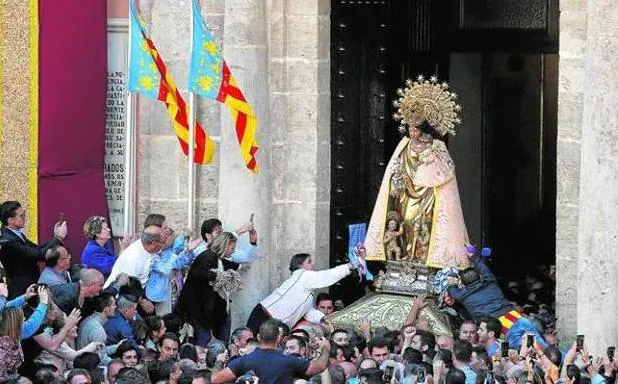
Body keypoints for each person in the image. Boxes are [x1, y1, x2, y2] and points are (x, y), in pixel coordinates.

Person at [363, 77, 470, 269]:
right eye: (409, 128)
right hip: (407, 194)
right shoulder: (404, 145)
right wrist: (396, 184)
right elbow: (395, 168)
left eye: (415, 129)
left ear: (423, 129)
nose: (412, 132)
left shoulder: (437, 146)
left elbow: (447, 170)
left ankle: (420, 260)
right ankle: (404, 258)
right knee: (406, 222)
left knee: (422, 226)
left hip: (428, 195)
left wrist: (430, 159)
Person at [246, 253, 358, 335]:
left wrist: (323, 318)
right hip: (264, 317)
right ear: (300, 265)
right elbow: (328, 276)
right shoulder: (302, 275)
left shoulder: (305, 287)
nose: (313, 265)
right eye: (309, 262)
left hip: (274, 324)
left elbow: (307, 312)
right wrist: (350, 266)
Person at [211, 319, 331, 384]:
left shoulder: (244, 361)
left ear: (258, 337)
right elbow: (320, 366)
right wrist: (325, 348)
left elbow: (215, 379)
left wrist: (219, 361)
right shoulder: (290, 361)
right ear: (278, 339)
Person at [176, 232, 239, 346]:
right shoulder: (208, 257)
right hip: (197, 311)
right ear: (224, 245)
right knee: (203, 341)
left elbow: (227, 265)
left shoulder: (215, 258)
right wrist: (217, 276)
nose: (233, 251)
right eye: (232, 248)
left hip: (207, 311)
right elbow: (198, 273)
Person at [0, 200, 67, 297]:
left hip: (29, 284)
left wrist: (56, 236)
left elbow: (37, 249)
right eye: (21, 216)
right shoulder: (8, 241)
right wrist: (58, 238)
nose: (25, 218)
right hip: (21, 290)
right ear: (11, 220)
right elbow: (38, 254)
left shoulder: (15, 234)